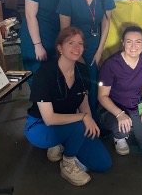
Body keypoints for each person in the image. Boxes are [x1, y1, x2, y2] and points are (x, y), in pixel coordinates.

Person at [24, 26, 112, 186]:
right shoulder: (45, 73)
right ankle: (68, 162)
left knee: (103, 163)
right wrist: (83, 118)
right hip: (40, 126)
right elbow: (49, 119)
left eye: (80, 44)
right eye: (70, 43)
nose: (76, 48)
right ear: (60, 47)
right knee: (79, 125)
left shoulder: (82, 71)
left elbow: (84, 104)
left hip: (70, 124)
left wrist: (89, 125)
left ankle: (68, 141)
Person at [57, 0, 115, 116]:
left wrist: (99, 51)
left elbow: (106, 22)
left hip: (95, 44)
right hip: (75, 45)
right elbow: (65, 30)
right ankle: (82, 120)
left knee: (94, 84)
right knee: (79, 84)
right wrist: (75, 54)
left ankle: (94, 121)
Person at [97, 25, 142, 156]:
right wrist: (120, 114)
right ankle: (119, 136)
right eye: (129, 41)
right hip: (112, 107)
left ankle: (131, 126)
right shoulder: (111, 64)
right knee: (123, 129)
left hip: (136, 105)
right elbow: (102, 96)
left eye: (138, 42)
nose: (133, 46)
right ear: (123, 42)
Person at [21, 0, 76, 82]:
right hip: (37, 33)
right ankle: (38, 103)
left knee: (56, 73)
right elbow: (30, 15)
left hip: (56, 33)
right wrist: (37, 45)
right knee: (39, 73)